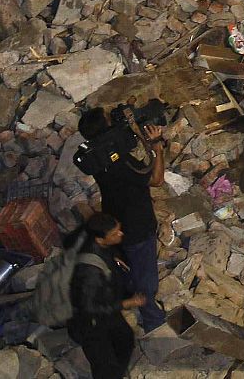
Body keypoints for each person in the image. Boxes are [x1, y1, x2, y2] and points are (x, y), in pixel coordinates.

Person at [76, 108, 166, 333]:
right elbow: (156, 179)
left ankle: (127, 289)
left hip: (115, 221)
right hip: (138, 227)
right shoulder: (121, 160)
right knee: (146, 280)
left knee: (127, 265)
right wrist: (156, 145)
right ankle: (153, 319)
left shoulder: (99, 158)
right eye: (109, 119)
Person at [68, 213, 146, 379]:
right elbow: (88, 307)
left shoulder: (102, 247)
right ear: (100, 239)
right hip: (92, 322)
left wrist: (115, 260)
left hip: (108, 311)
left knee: (125, 341)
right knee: (105, 366)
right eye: (114, 233)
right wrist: (124, 304)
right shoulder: (89, 271)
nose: (121, 234)